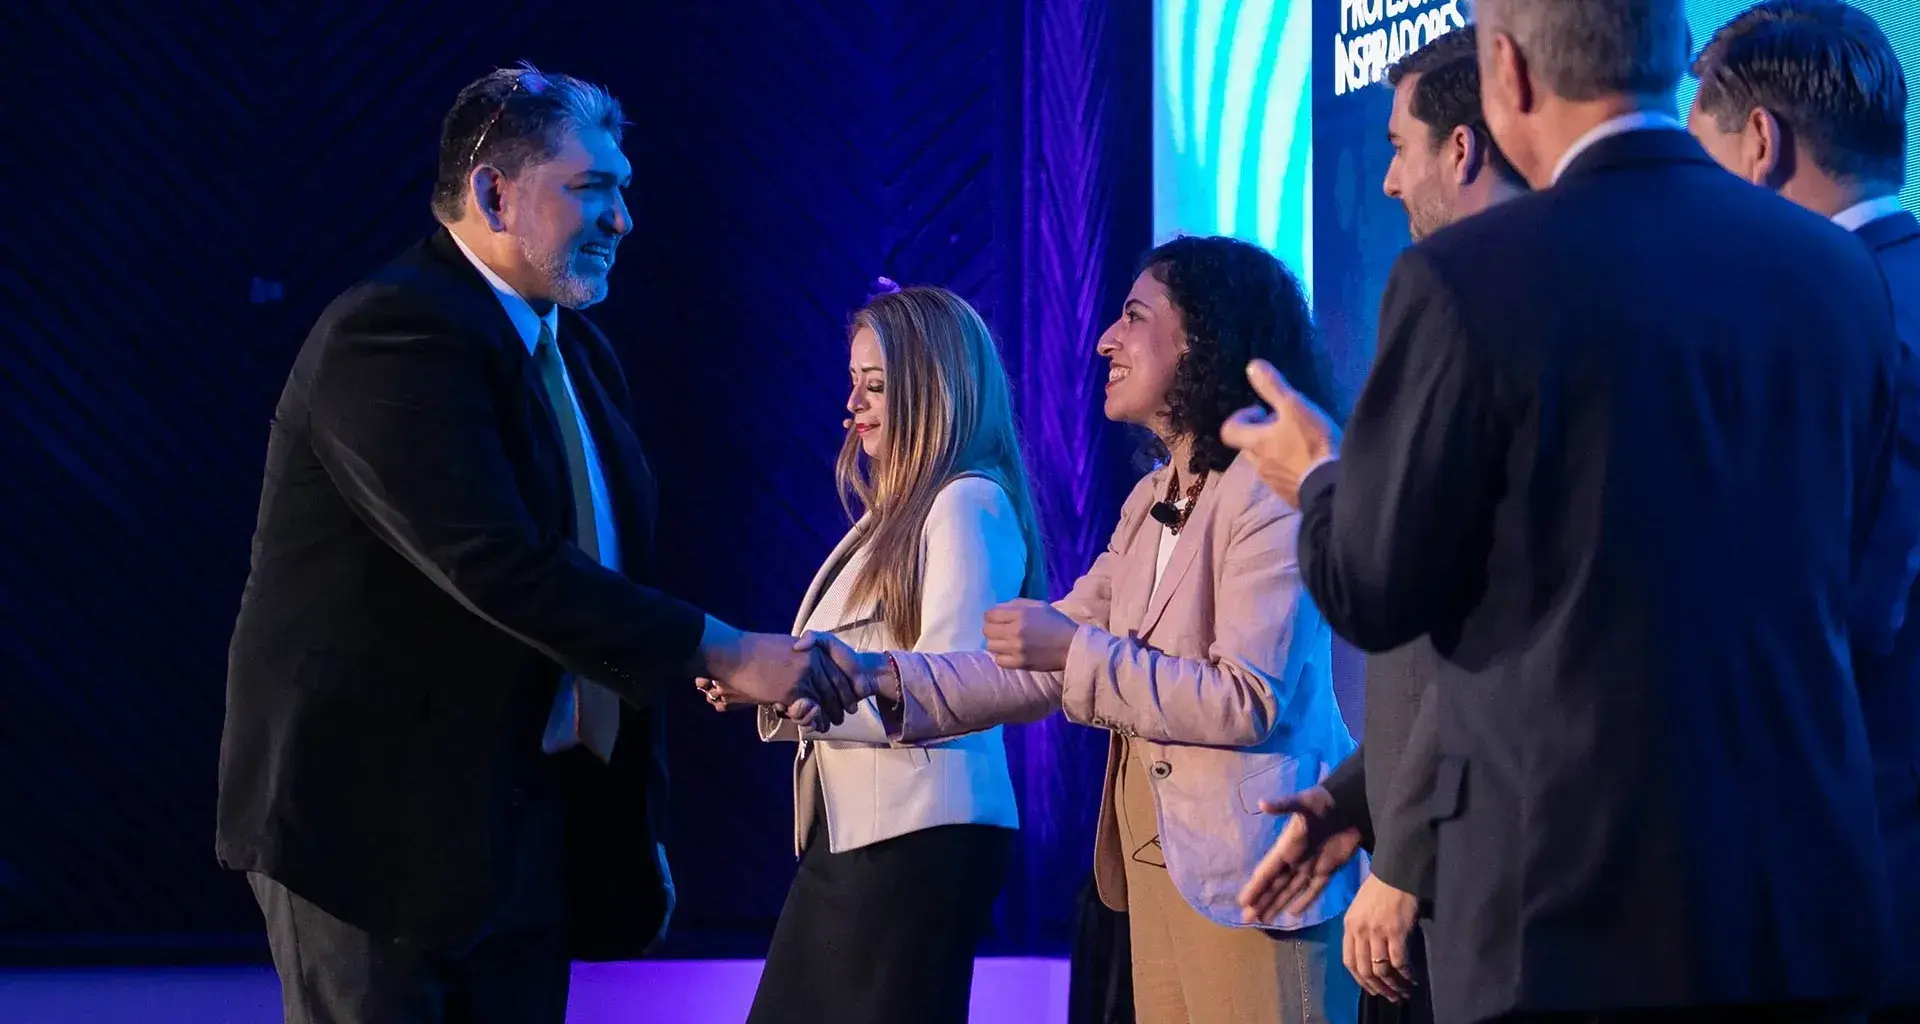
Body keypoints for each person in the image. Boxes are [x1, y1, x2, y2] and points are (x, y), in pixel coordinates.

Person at [1219, 0, 1906, 1017]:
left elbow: (1371, 587)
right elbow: (1859, 594)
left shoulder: (1466, 277)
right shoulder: (1838, 274)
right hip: (1797, 912)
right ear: (1672, 57)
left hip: (1569, 920)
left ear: (1510, 73)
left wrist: (1319, 473)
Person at [216, 65, 843, 1024]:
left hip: (524, 827)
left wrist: (633, 823)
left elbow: (604, 576)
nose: (623, 219)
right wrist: (727, 649)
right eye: (593, 189)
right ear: (492, 192)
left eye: (624, 189)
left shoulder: (576, 349)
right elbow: (497, 565)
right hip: (375, 834)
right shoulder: (391, 333)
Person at [792, 236, 1363, 1024]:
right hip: (1159, 873)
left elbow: (1245, 700)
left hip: (1256, 879)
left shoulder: (1270, 493)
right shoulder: (1149, 501)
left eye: (1134, 316)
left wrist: (1076, 652)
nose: (1105, 339)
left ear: (1205, 336)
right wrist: (876, 676)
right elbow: (1030, 662)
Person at [1240, 25, 1529, 1023]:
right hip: (1429, 854)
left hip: (1491, 879)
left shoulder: (1478, 308)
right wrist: (1355, 802)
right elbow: (1431, 652)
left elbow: (1487, 639)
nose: (1386, 182)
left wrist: (1321, 476)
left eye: (1399, 147)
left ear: (1461, 148)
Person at [697, 286, 1045, 1023]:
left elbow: (952, 694)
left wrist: (796, 687)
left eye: (877, 385)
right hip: (875, 838)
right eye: (853, 382)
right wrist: (776, 688)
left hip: (914, 840)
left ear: (934, 389)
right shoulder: (902, 511)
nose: (852, 407)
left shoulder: (966, 504)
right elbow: (868, 676)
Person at [1688, 4, 1920, 1018]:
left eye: (1695, 160)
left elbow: (1850, 610)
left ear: (1760, 145)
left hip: (1858, 860)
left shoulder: (1834, 320)